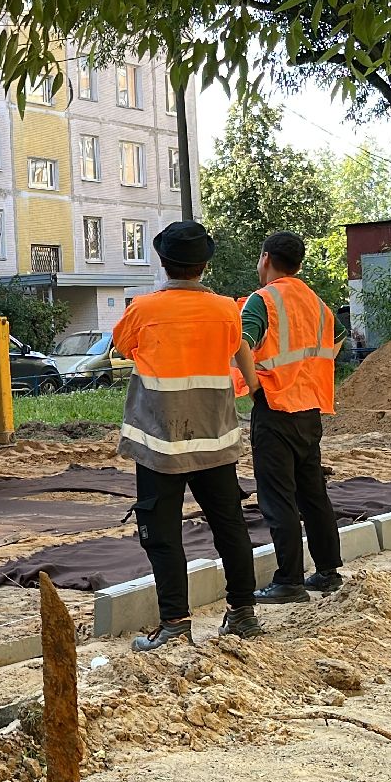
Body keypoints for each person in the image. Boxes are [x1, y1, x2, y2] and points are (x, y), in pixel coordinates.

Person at [112, 220, 265, 651]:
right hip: (214, 438)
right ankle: (242, 614)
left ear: (163, 262)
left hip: (160, 442)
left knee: (162, 533)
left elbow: (122, 347)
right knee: (229, 527)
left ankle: (176, 622)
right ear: (204, 265)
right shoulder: (226, 310)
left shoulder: (143, 309)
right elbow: (239, 350)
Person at [243, 232, 345, 603]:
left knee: (278, 498)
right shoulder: (317, 303)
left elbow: (241, 342)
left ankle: (289, 580)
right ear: (298, 264)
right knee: (313, 493)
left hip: (274, 409)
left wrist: (255, 387)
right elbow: (337, 338)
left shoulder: (263, 301)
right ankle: (328, 571)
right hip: (309, 409)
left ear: (266, 258)